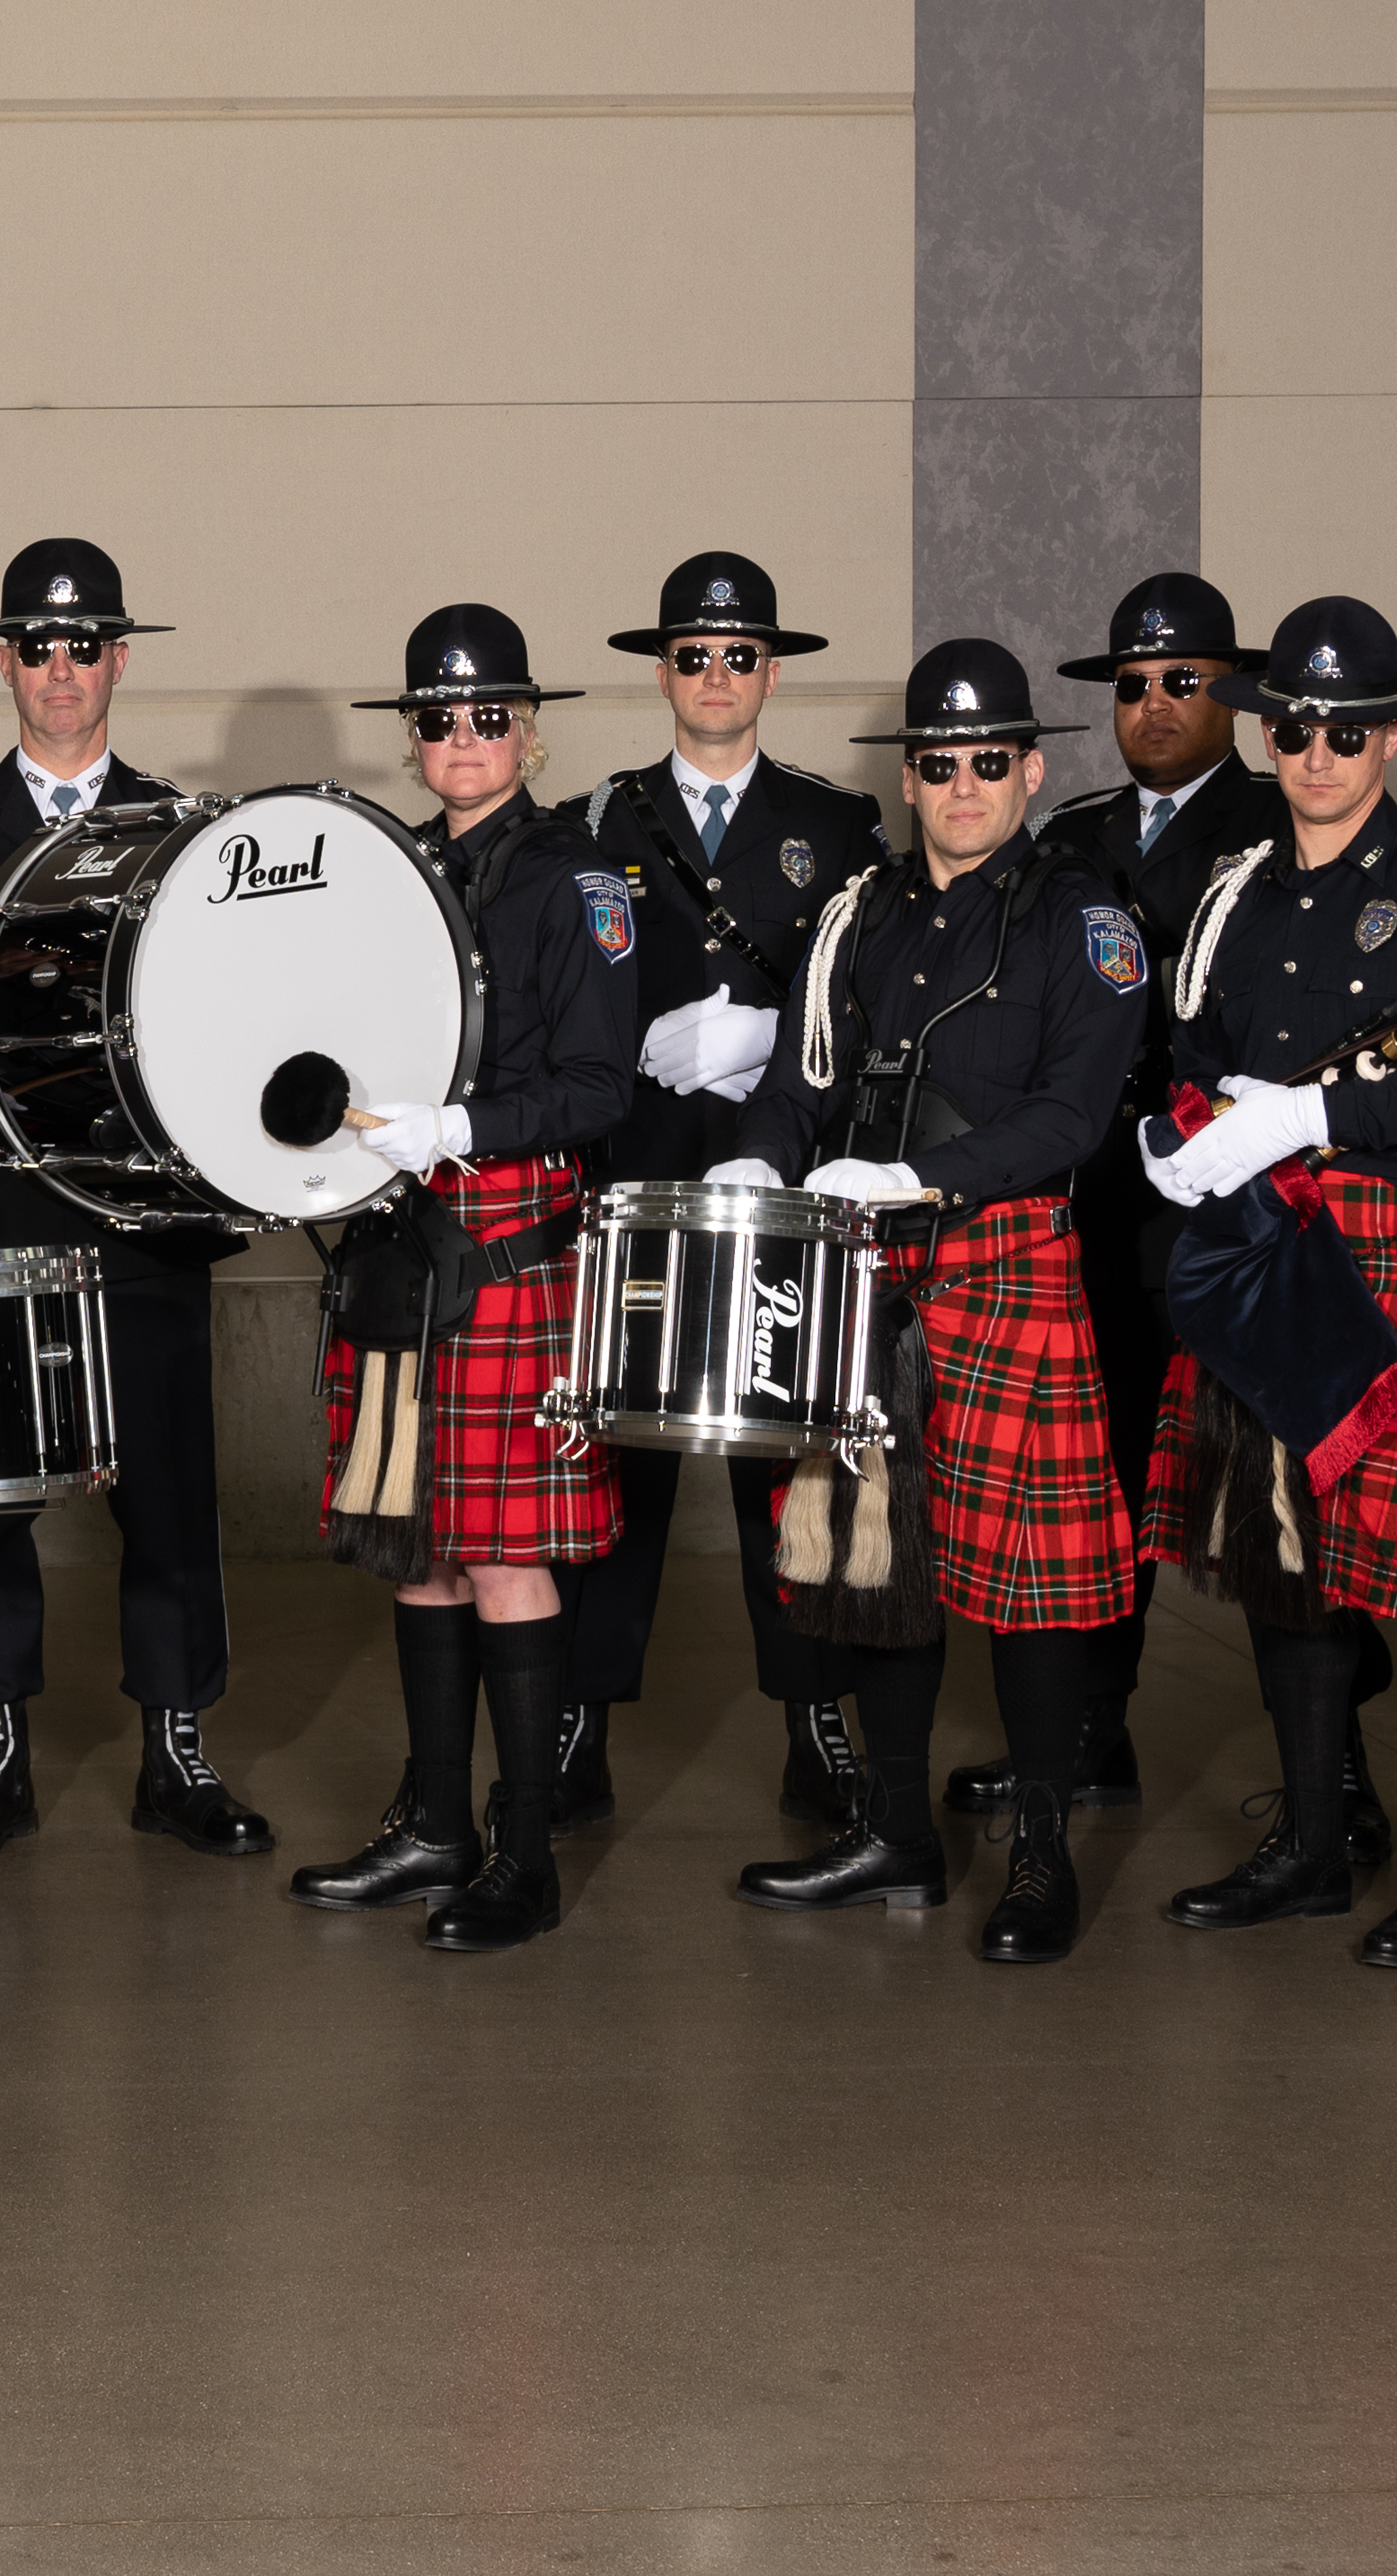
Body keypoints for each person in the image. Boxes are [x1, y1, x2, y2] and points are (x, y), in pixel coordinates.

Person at [710, 637, 1139, 1962]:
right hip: (866, 1271)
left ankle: (1044, 1858)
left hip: (1004, 1258)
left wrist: (920, 1174)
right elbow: (801, 1079)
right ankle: (896, 1833)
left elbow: (1076, 1113)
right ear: (910, 775)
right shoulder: (862, 910)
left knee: (1031, 1586)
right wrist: (756, 1157)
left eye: (987, 762)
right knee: (877, 1559)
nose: (961, 786)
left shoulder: (1086, 919)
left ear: (1031, 766)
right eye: (937, 764)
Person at [0, 539, 257, 1865]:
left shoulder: (190, 829)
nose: (61, 669)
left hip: (141, 1219)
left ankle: (176, 1752)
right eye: (37, 645)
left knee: (173, 1499)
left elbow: (239, 1009)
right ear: (4, 659)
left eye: (85, 646)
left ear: (120, 659)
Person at [951, 576, 1385, 1856]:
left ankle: (1337, 1767)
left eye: (1183, 681)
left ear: (1238, 697)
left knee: (1274, 1495)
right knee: (1089, 1487)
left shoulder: (1282, 820)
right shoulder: (1070, 835)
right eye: (1131, 686)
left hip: (1235, 1211)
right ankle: (1091, 1729)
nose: (1152, 705)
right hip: (1086, 1208)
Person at [1136, 596, 1397, 1969]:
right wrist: (1188, 1130)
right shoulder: (1231, 889)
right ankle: (1310, 1843)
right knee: (1289, 1560)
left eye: (1347, 730)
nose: (1317, 754)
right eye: (1294, 729)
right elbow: (1191, 1051)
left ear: (1392, 736)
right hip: (1269, 1253)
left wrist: (1311, 1117)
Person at [285, 605, 634, 1952]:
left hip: (507, 1233)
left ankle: (527, 1854)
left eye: (490, 716)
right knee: (419, 1555)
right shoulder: (388, 870)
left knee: (503, 1556)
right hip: (398, 1241)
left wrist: (466, 1128)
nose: (464, 740)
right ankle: (437, 1821)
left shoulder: (578, 876)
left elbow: (601, 1082)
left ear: (528, 729)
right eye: (438, 719)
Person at [556, 551, 887, 1829]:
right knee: (613, 1460)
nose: (714, 676)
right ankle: (579, 1717)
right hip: (632, 1175)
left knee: (781, 1460)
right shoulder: (595, 821)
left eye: (737, 655)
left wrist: (767, 1048)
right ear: (661, 671)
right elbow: (553, 985)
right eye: (691, 655)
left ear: (771, 670)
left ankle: (816, 1718)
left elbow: (863, 1003)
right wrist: (630, 1034)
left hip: (776, 1183)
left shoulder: (837, 825)